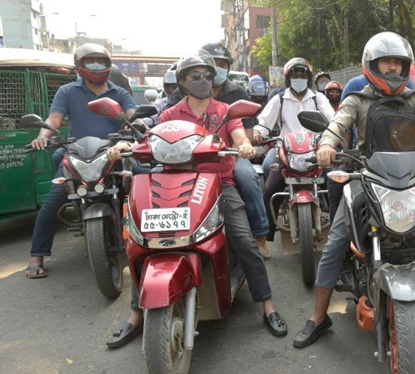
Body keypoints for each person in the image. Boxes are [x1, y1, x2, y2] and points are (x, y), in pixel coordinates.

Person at [293, 32, 415, 348]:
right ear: (371, 65)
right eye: (385, 62)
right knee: (336, 242)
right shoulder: (357, 100)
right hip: (368, 177)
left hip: (413, 177)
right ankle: (318, 318)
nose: (392, 69)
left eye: (397, 63)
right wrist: (326, 146)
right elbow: (337, 125)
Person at [105, 51, 287, 348]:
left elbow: (238, 135)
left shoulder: (225, 111)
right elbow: (148, 138)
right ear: (182, 82)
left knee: (243, 240)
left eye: (206, 75)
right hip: (173, 183)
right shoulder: (170, 114)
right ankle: (136, 314)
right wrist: (125, 145)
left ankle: (268, 305)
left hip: (219, 183)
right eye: (194, 76)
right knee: (142, 242)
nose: (202, 80)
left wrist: (243, 146)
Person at [25, 43, 137, 279]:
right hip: (78, 153)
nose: (97, 66)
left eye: (101, 61)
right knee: (52, 202)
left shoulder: (119, 93)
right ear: (79, 66)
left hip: (113, 152)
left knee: (143, 184)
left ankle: (155, 243)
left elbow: (133, 117)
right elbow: (54, 119)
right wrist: (43, 136)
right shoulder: (67, 91)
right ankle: (37, 254)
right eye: (90, 61)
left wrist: (139, 127)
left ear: (108, 65)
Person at [200, 42, 272, 258]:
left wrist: (241, 147)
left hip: (229, 155)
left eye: (223, 64)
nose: (218, 68)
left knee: (248, 177)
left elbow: (246, 133)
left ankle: (259, 234)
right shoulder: (181, 98)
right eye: (213, 64)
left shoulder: (237, 92)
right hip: (190, 160)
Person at [255, 57, 335, 241]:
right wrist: (259, 133)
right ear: (288, 78)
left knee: (333, 184)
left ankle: (339, 229)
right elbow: (264, 123)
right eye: (295, 76)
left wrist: (332, 137)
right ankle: (265, 237)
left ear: (309, 78)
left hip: (316, 151)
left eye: (303, 76)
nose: (299, 79)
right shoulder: (279, 100)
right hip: (285, 151)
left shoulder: (318, 98)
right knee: (270, 187)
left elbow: (333, 121)